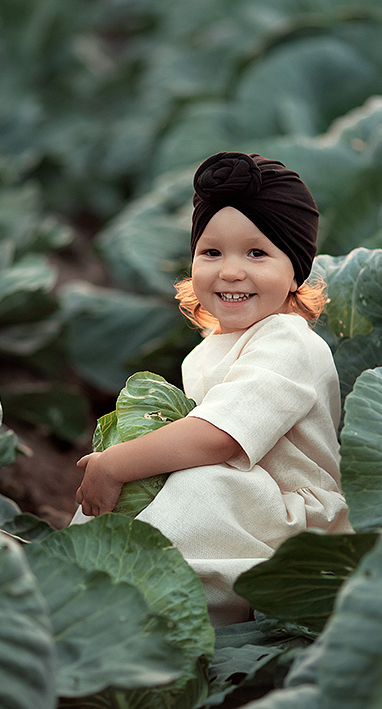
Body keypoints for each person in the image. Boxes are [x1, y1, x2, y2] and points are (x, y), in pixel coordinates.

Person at [74, 151, 351, 626]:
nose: (230, 271)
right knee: (150, 486)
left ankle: (157, 605)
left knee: (197, 485)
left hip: (294, 525)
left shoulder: (288, 340)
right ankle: (88, 585)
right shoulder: (206, 350)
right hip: (241, 505)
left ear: (296, 270)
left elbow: (220, 437)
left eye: (257, 253)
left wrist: (115, 463)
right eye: (212, 252)